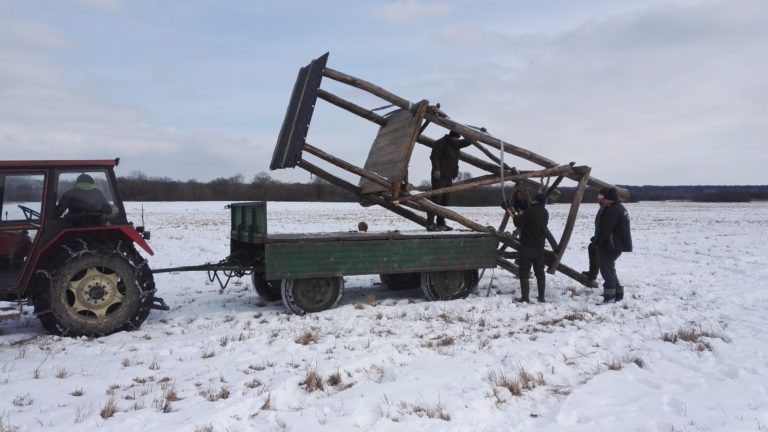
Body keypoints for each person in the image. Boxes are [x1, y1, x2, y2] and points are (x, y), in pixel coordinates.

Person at [592, 187, 632, 303]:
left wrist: (597, 242)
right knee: (609, 268)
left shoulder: (612, 211)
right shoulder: (619, 208)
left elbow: (605, 230)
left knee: (606, 269)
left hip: (611, 245)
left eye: (602, 198)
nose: (600, 200)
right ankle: (618, 293)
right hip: (617, 244)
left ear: (609, 198)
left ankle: (609, 295)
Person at [427, 130, 471, 231]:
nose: (457, 140)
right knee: (436, 200)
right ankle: (430, 224)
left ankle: (441, 223)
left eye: (458, 138)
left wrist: (476, 134)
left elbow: (468, 141)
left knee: (445, 201)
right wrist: (436, 169)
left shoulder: (456, 144)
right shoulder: (440, 143)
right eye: (456, 138)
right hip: (439, 176)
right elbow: (434, 157)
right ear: (451, 136)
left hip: (449, 176)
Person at [512, 192, 549, 303]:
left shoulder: (530, 210)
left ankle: (525, 298)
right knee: (540, 273)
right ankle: (541, 297)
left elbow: (518, 222)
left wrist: (515, 213)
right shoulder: (545, 212)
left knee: (524, 272)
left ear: (535, 200)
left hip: (528, 247)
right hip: (540, 247)